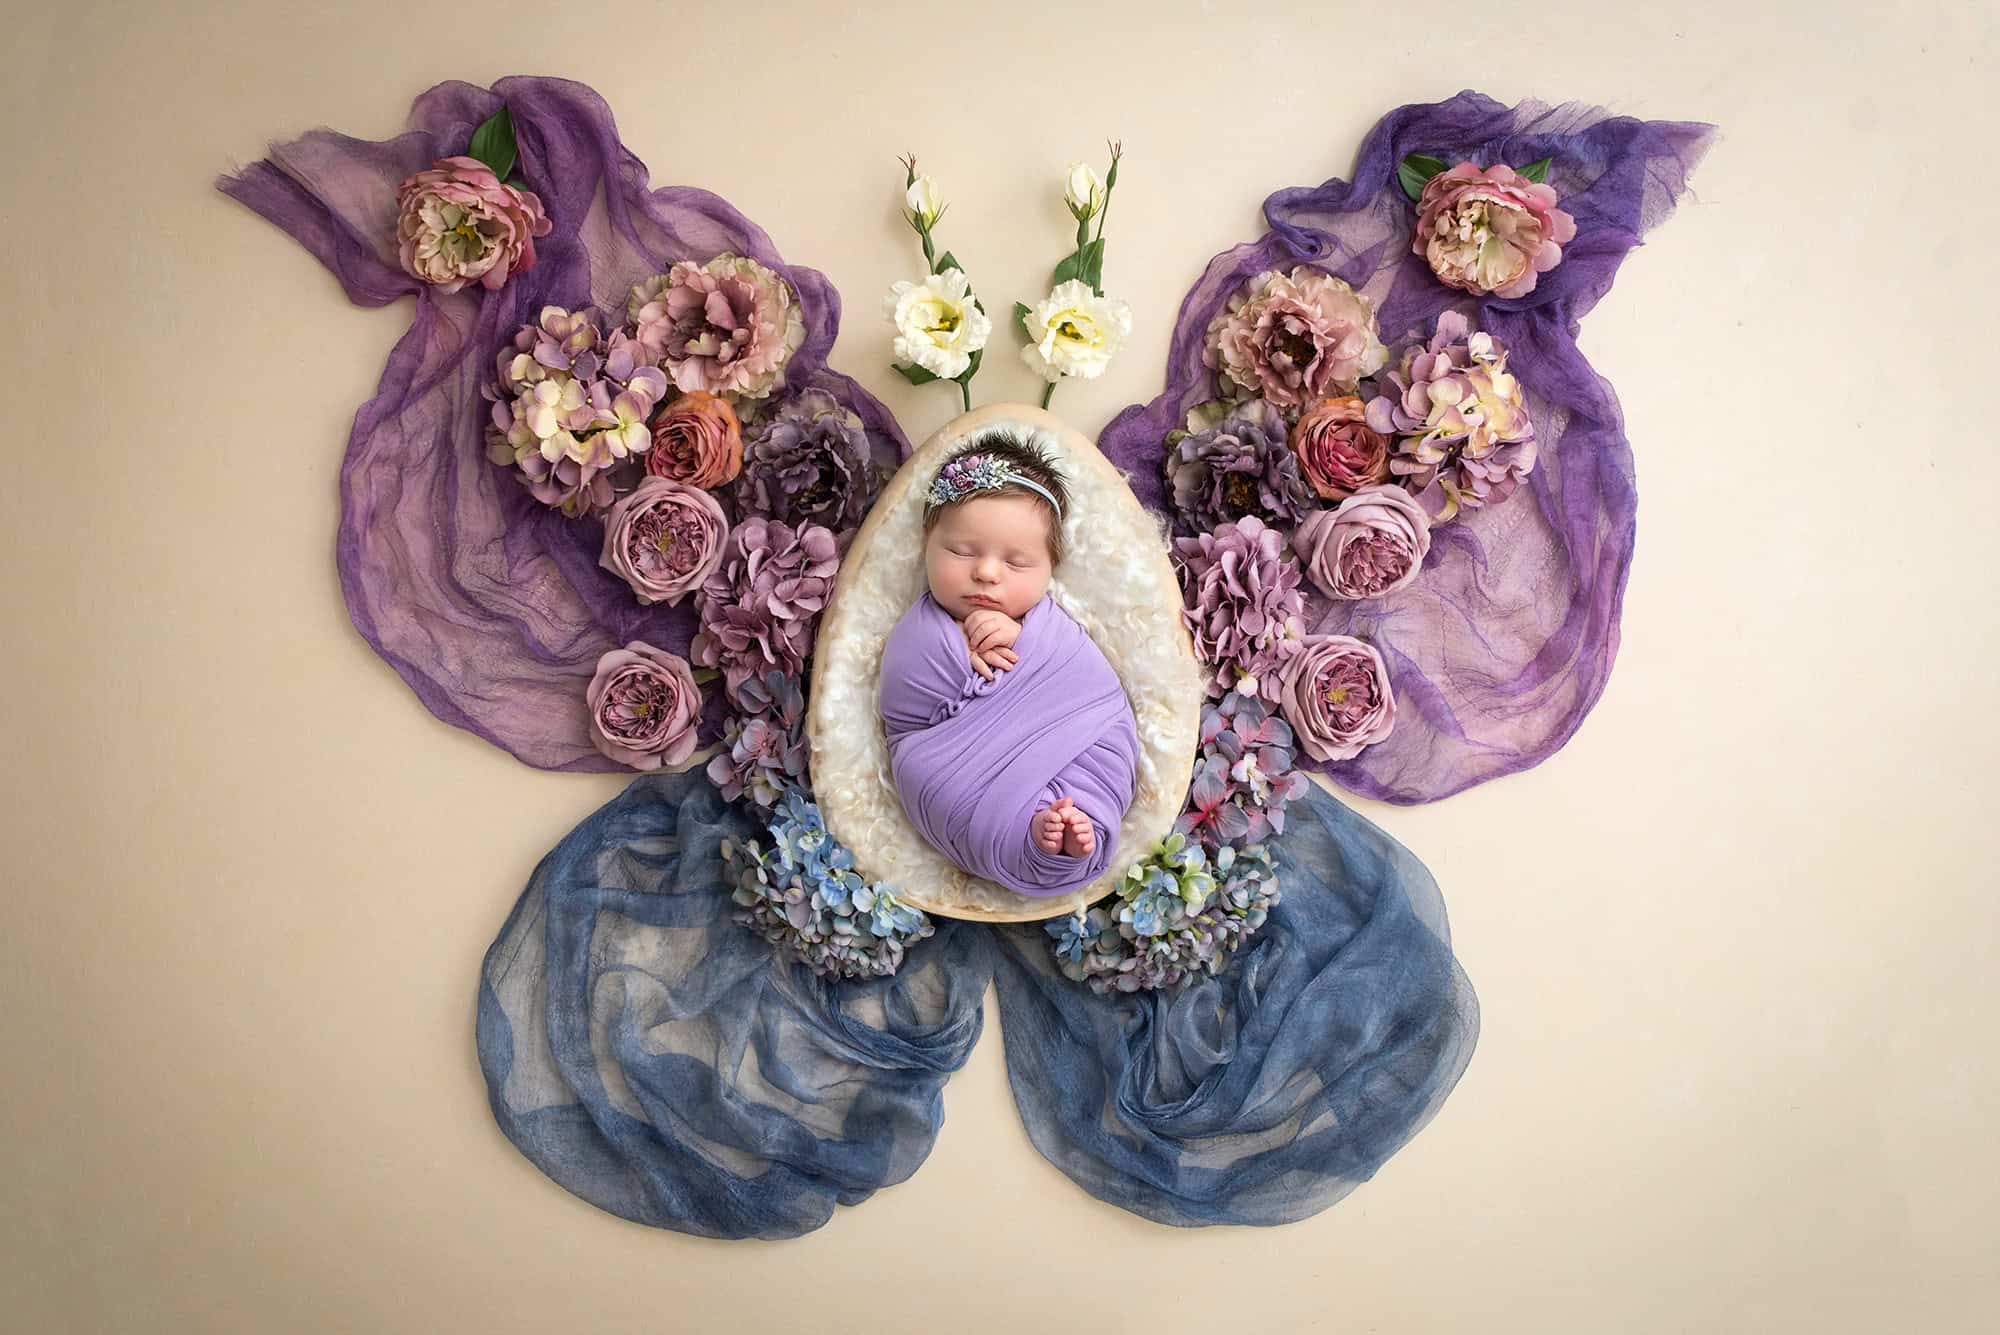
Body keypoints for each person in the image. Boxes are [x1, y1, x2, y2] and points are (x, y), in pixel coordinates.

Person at [877, 431, 1140, 896]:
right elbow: (902, 701)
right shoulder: (920, 628)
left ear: (1050, 568)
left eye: (1017, 563)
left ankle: (1062, 833)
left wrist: (1028, 644)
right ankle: (1036, 831)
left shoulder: (1052, 632)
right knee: (919, 770)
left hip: (1068, 751)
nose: (986, 572)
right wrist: (953, 657)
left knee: (1099, 759)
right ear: (927, 541)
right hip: (949, 772)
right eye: (962, 551)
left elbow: (1091, 686)